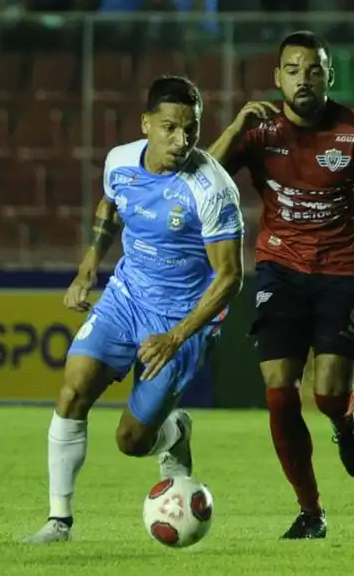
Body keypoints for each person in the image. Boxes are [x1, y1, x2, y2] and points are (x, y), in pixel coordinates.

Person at [208, 30, 354, 539]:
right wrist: (234, 127)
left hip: (343, 268)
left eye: (314, 69)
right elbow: (203, 176)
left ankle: (345, 420)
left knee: (328, 396)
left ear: (329, 76)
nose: (304, 79)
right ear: (277, 77)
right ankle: (311, 511)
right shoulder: (260, 132)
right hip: (280, 266)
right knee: (280, 392)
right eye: (293, 70)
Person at [25, 76, 244, 544]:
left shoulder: (213, 190)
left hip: (180, 321)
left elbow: (229, 277)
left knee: (131, 442)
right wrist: (89, 264)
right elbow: (110, 204)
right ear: (146, 124)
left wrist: (178, 336)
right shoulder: (120, 161)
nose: (181, 141)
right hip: (126, 297)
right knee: (74, 387)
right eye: (169, 128)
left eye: (191, 129)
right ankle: (59, 521)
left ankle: (174, 432)